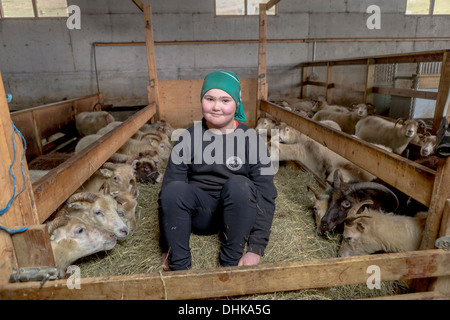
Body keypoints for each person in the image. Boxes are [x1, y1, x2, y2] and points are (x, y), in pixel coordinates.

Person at [158, 70, 277, 271]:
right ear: (201, 100)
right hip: (199, 215)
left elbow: (265, 194)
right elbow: (169, 193)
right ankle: (180, 270)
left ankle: (229, 264)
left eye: (225, 100)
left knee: (240, 184)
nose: (216, 107)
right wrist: (166, 245)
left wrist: (255, 248)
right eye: (209, 99)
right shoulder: (188, 137)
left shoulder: (252, 140)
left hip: (237, 217)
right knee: (172, 189)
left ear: (236, 104)